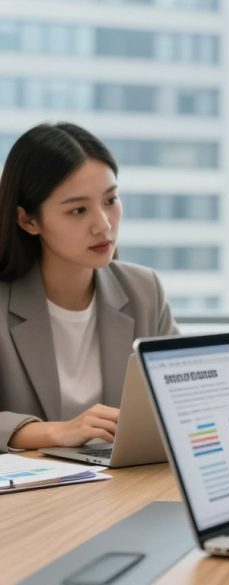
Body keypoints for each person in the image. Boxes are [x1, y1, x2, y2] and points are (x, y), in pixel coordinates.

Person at [0, 122, 179, 452]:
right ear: (28, 220)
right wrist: (53, 433)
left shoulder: (144, 290)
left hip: (118, 487)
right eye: (78, 210)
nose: (103, 224)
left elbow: (182, 402)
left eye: (110, 200)